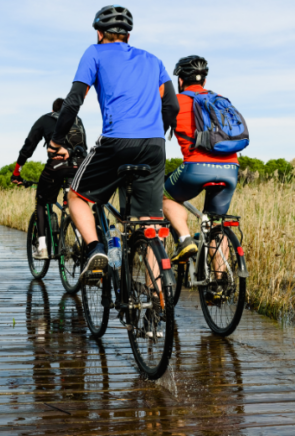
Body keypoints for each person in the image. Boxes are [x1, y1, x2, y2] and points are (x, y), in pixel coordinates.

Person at [48, 5, 179, 278]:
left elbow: (74, 101)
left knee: (76, 195)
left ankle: (96, 248)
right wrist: (155, 132)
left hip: (117, 141)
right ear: (128, 36)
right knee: (149, 224)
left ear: (99, 33)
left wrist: (57, 140)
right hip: (155, 145)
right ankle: (160, 298)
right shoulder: (153, 60)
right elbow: (172, 105)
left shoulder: (94, 52)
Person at [163, 55, 240, 262]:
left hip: (196, 167)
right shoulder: (220, 101)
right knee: (217, 224)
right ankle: (220, 285)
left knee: (163, 195)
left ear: (180, 81)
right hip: (232, 169)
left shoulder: (175, 102)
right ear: (204, 81)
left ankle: (185, 239)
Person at [11, 98, 87, 259]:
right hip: (80, 166)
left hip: (58, 166)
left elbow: (28, 147)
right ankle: (82, 239)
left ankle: (43, 247)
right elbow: (83, 147)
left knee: (41, 200)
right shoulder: (77, 120)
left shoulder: (45, 119)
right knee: (76, 201)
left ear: (53, 110)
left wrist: (17, 172)